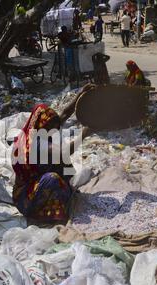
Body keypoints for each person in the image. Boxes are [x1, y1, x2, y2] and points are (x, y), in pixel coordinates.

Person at [12, 85, 95, 224]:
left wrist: (80, 95)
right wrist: (83, 134)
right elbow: (63, 153)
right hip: (26, 198)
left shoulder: (39, 128)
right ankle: (42, 212)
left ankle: (59, 194)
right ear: (42, 126)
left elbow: (62, 115)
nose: (55, 129)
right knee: (53, 178)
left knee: (60, 167)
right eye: (51, 127)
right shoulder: (35, 143)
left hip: (35, 180)